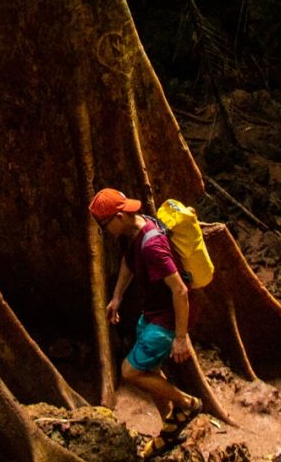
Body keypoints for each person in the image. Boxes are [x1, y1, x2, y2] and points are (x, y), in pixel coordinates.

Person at [89, 187, 202, 457]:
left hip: (167, 321)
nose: (105, 232)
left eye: (104, 226)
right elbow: (129, 262)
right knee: (149, 371)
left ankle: (187, 404)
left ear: (118, 217)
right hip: (151, 314)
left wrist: (180, 337)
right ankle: (170, 431)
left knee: (129, 371)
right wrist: (117, 297)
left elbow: (180, 291)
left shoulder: (152, 245)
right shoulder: (140, 227)